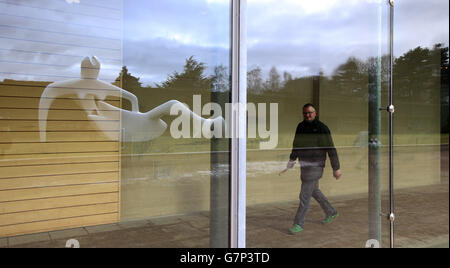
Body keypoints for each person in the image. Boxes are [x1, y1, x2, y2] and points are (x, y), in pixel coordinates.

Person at [286, 103, 342, 234]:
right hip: (304, 164)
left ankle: (298, 224)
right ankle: (331, 211)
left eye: (310, 112)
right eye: (305, 113)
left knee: (304, 195)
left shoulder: (322, 128)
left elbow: (331, 149)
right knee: (314, 191)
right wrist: (292, 159)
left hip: (316, 166)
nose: (307, 115)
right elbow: (296, 144)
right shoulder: (300, 127)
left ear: (315, 113)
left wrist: (336, 168)